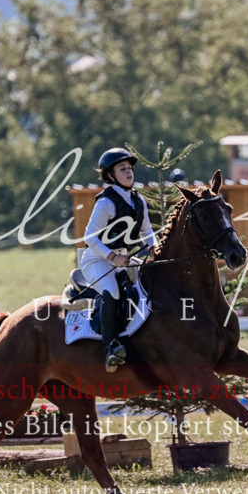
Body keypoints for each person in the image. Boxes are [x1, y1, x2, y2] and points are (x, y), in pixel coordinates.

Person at [80, 148, 157, 372]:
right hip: (96, 260)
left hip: (124, 258)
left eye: (130, 168)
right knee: (112, 290)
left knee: (146, 287)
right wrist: (113, 256)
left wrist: (153, 248)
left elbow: (147, 231)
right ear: (110, 175)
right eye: (122, 169)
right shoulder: (106, 203)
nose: (129, 172)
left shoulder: (138, 200)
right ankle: (110, 347)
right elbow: (89, 238)